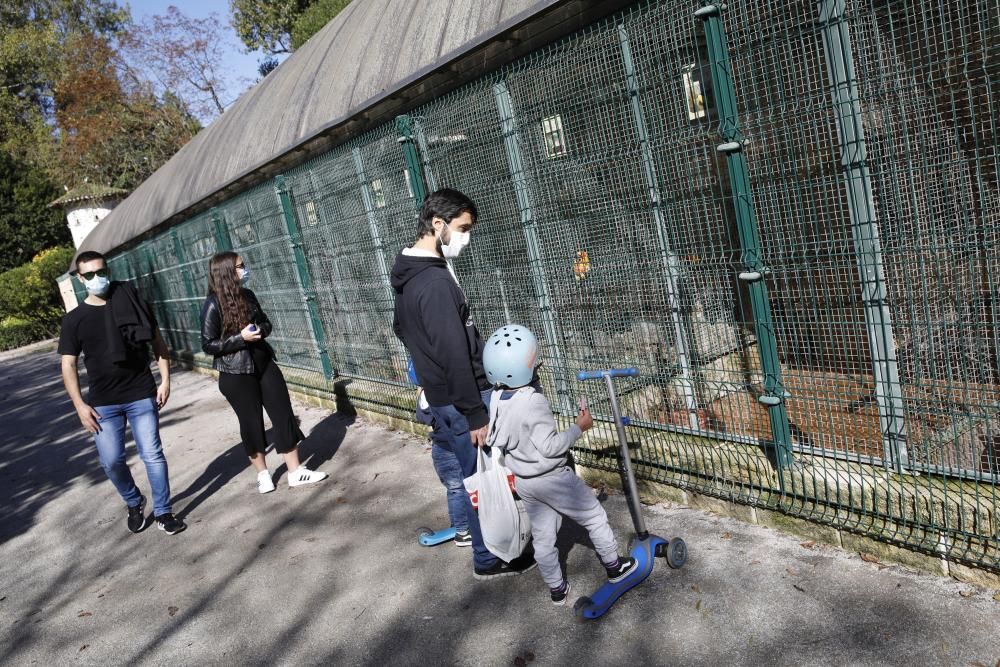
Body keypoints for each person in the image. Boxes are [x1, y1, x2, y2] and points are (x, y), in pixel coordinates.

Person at [392, 188, 535, 580]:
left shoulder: (410, 270)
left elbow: (401, 328)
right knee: (485, 482)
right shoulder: (434, 283)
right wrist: (474, 412)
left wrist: (428, 374)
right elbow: (454, 351)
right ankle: (490, 558)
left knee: (472, 476)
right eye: (463, 228)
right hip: (462, 398)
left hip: (442, 396)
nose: (467, 237)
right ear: (438, 224)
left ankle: (486, 549)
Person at [482, 324, 638, 605]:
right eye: (535, 359)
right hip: (552, 477)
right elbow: (551, 447)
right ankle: (615, 568)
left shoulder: (496, 398)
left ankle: (557, 589)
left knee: (543, 538)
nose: (538, 362)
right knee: (594, 517)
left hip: (526, 482)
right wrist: (580, 427)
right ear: (525, 367)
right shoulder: (533, 401)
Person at [59, 251, 186, 535]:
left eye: (101, 272)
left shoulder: (132, 302)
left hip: (141, 393)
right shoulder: (74, 320)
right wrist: (79, 405)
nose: (97, 278)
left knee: (152, 454)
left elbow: (159, 344)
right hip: (103, 403)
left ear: (109, 271)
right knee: (111, 460)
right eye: (89, 275)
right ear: (80, 279)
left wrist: (165, 381)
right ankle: (134, 500)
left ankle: (164, 511)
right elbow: (67, 364)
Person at [200, 252, 328, 493]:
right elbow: (208, 344)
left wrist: (259, 329)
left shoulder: (248, 296)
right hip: (235, 373)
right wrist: (240, 338)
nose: (244, 269)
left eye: (243, 265)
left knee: (283, 414)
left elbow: (267, 323)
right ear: (227, 271)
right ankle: (263, 474)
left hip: (264, 363)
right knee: (251, 423)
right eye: (239, 266)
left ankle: (295, 471)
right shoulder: (212, 304)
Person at [408, 360, 470, 547]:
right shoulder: (445, 393)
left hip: (440, 450)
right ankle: (463, 530)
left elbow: (423, 417)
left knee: (454, 489)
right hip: (451, 449)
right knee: (460, 489)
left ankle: (459, 525)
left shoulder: (425, 397)